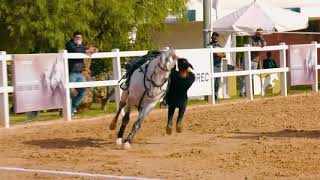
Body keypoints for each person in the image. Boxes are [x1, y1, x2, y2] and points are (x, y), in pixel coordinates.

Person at [65, 31, 97, 115]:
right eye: (77, 38)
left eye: (80, 38)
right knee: (69, 92)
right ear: (73, 37)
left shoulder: (81, 46)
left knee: (82, 92)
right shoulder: (69, 44)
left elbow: (86, 49)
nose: (79, 39)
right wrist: (87, 50)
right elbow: (75, 51)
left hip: (79, 73)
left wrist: (94, 50)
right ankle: (67, 111)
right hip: (71, 73)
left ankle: (72, 108)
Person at [162, 58, 195, 135]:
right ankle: (179, 122)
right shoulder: (190, 78)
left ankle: (169, 122)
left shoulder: (173, 75)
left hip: (172, 97)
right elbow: (191, 72)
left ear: (179, 67)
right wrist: (188, 66)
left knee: (171, 109)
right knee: (183, 107)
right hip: (182, 98)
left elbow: (171, 69)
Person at [240, 28, 267, 97]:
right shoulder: (250, 38)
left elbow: (264, 45)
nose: (260, 35)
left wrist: (261, 38)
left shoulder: (261, 39)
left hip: (255, 60)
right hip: (248, 59)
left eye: (261, 34)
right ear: (256, 33)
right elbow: (250, 48)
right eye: (259, 33)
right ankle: (242, 92)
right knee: (245, 77)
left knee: (251, 77)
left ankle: (248, 92)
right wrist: (257, 46)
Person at [209, 32, 226, 100]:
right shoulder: (209, 45)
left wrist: (218, 54)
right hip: (212, 66)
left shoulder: (219, 46)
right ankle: (211, 97)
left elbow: (224, 55)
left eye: (217, 36)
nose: (216, 37)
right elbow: (213, 54)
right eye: (214, 36)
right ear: (212, 37)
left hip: (219, 65)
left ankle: (216, 96)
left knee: (217, 83)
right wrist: (218, 54)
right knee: (212, 82)